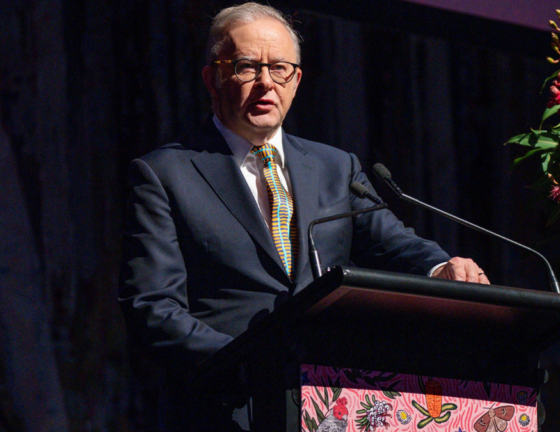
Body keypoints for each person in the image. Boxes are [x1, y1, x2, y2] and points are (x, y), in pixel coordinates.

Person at [119, 3, 488, 430]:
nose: (265, 84)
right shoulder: (165, 174)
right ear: (212, 78)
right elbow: (152, 306)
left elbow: (394, 242)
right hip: (227, 407)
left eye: (279, 69)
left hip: (333, 407)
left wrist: (441, 267)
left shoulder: (336, 168)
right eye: (245, 67)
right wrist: (246, 362)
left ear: (296, 80)